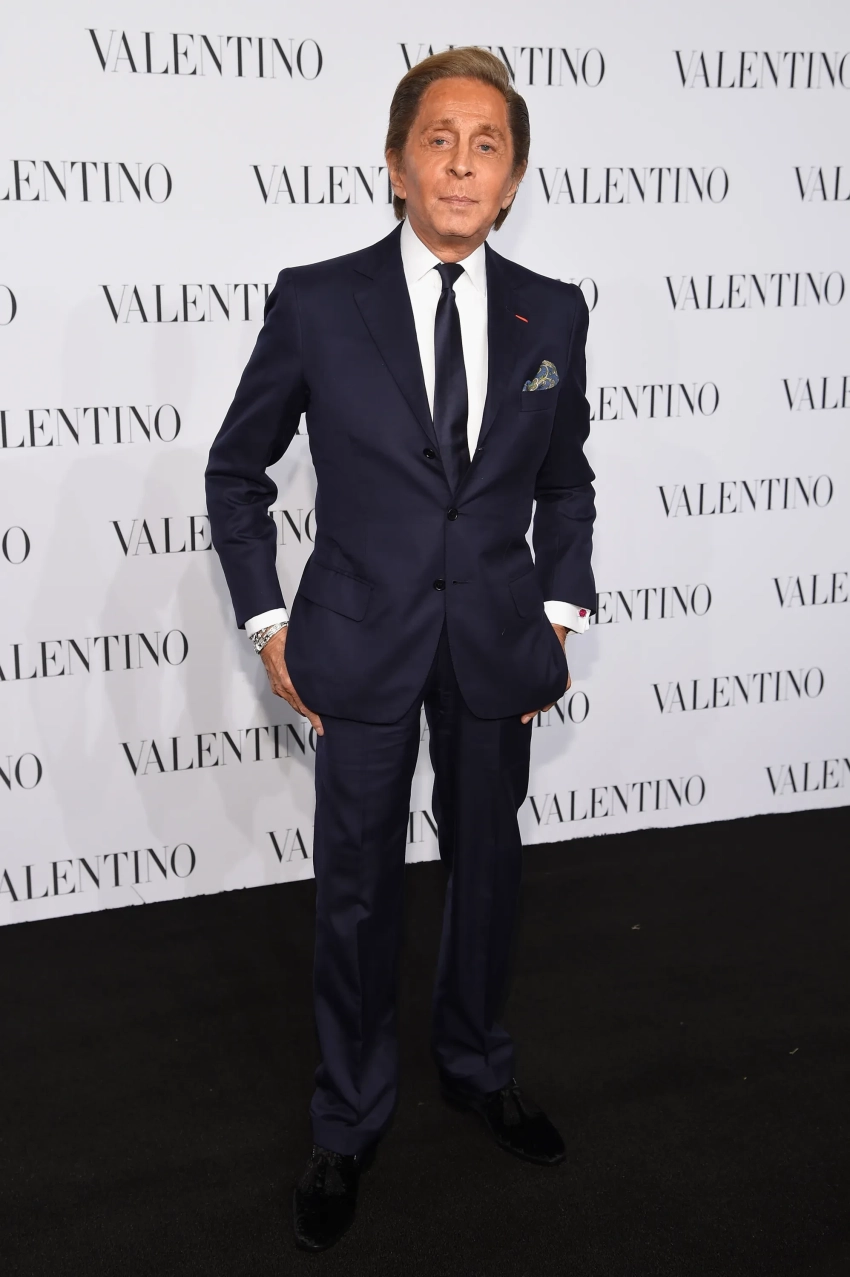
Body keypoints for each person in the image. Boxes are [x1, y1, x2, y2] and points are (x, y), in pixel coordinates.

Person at [205, 46, 596, 1253]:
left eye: (487, 145)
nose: (462, 164)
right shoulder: (318, 301)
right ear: (394, 164)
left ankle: (478, 1064)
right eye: (439, 140)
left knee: (488, 868)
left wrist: (559, 611)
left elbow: (566, 481)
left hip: (494, 641)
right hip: (357, 639)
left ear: (513, 177)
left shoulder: (553, 310)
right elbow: (237, 470)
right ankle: (347, 1115)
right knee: (358, 888)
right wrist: (267, 619)